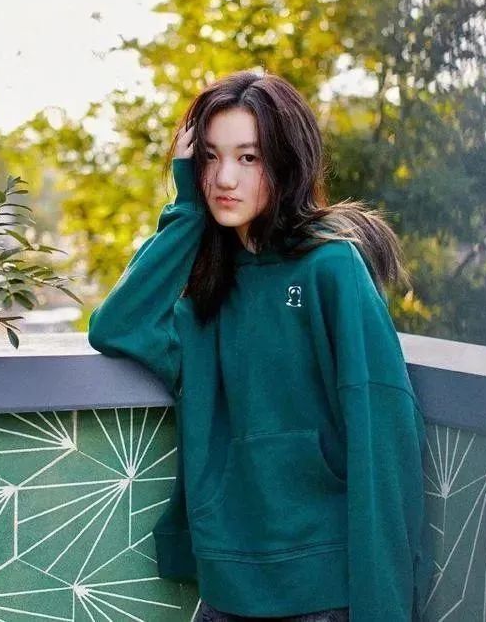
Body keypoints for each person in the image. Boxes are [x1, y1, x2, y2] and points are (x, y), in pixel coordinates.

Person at [88, 70, 435, 621]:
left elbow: (383, 441)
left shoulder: (331, 268)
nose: (225, 177)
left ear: (286, 162)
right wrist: (187, 207)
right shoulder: (207, 288)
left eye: (248, 157)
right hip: (226, 587)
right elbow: (117, 325)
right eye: (209, 157)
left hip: (321, 593)